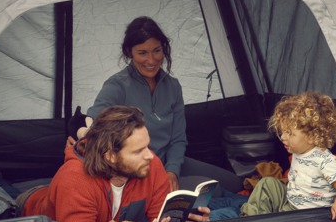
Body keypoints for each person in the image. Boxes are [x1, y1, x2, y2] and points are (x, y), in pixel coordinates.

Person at [70, 16, 242, 194]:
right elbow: (93, 121)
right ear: (130, 53)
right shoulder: (117, 86)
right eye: (142, 53)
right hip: (138, 169)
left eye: (156, 51)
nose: (151, 60)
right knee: (210, 191)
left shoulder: (173, 86)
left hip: (169, 161)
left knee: (235, 184)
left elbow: (178, 139)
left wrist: (172, 171)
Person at [24, 105, 210, 222]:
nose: (150, 156)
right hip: (31, 210)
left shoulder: (149, 164)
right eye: (138, 151)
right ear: (110, 156)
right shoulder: (75, 180)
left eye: (147, 146)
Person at [240, 92, 336, 222]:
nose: (283, 137)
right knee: (266, 183)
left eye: (290, 134)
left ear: (312, 136)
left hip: (307, 215)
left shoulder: (325, 161)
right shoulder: (298, 153)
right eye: (283, 132)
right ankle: (250, 220)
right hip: (290, 204)